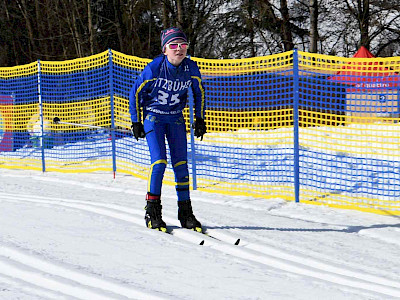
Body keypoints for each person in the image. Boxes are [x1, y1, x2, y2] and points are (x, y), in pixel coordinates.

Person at [129, 27, 206, 233]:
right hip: (154, 117)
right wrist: (136, 121)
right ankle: (152, 211)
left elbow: (199, 92)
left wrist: (200, 118)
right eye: (173, 45)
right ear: (165, 50)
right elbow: (135, 92)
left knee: (181, 164)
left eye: (182, 45)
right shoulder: (155, 68)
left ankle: (185, 213)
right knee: (159, 162)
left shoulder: (191, 68)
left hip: (176, 119)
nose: (178, 49)